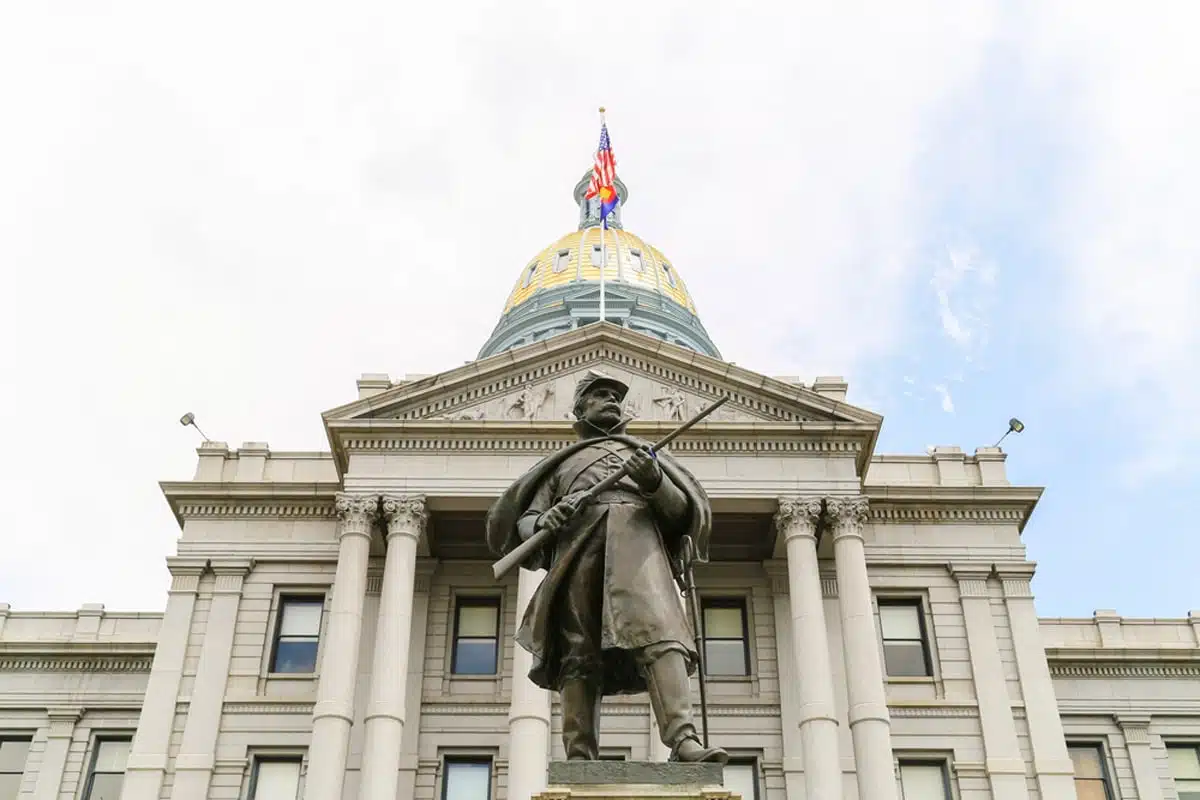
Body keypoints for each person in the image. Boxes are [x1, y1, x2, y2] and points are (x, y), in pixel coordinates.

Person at [486, 370, 727, 763]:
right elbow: (526, 521)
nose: (611, 401)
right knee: (577, 653)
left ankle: (683, 741)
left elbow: (681, 515)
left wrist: (654, 483)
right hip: (578, 555)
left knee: (663, 637)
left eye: (616, 396)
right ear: (580, 409)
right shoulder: (561, 465)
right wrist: (546, 521)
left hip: (638, 551)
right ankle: (580, 756)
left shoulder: (647, 456)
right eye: (600, 395)